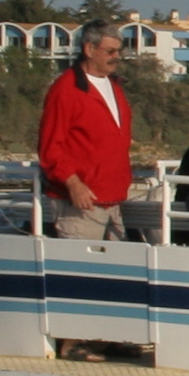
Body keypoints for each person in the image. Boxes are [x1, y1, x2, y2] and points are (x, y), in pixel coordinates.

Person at [38, 20, 139, 238]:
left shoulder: (114, 86)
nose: (117, 57)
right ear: (89, 49)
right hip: (80, 206)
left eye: (119, 51)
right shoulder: (66, 90)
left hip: (113, 201)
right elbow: (50, 148)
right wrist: (73, 184)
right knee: (80, 269)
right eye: (110, 51)